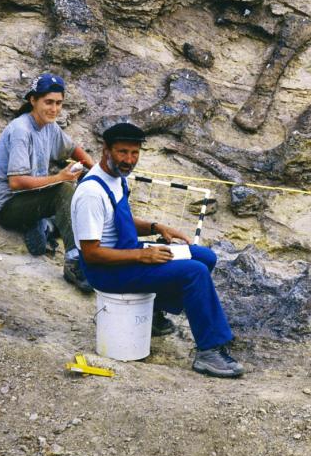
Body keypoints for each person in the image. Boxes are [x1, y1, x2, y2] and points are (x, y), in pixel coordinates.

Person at [72, 122, 244, 379]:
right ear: (105, 149)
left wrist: (157, 227)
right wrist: (144, 255)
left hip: (126, 256)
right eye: (122, 152)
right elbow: (91, 254)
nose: (129, 160)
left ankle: (153, 312)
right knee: (194, 272)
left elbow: (122, 222)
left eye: (134, 153)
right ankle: (209, 352)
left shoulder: (116, 179)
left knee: (205, 256)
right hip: (106, 270)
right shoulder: (91, 193)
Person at [0, 72, 96, 276]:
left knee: (79, 190)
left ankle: (43, 226)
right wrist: (59, 178)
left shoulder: (49, 126)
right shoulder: (21, 130)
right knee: (64, 190)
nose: (54, 109)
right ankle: (75, 263)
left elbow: (72, 149)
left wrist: (96, 170)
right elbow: (16, 182)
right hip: (7, 206)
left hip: (31, 197)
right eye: (48, 102)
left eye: (58, 103)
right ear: (33, 100)